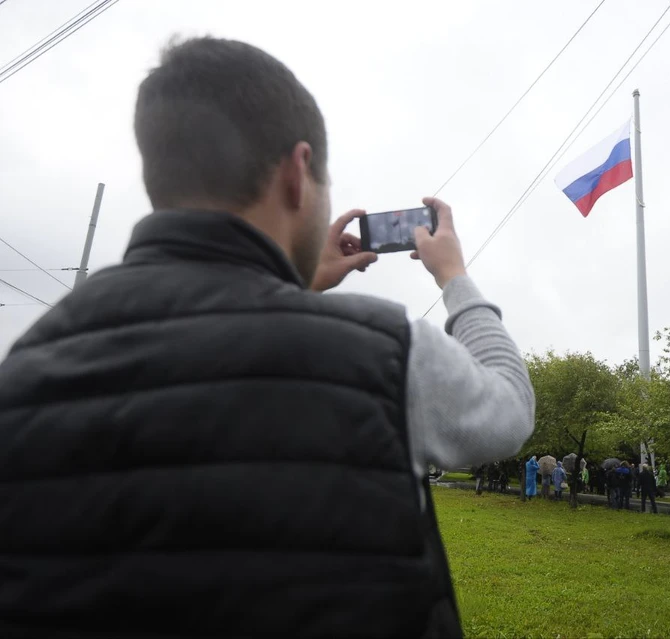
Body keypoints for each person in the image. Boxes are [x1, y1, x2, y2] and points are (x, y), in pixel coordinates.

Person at [0, 38, 537, 638]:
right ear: (296, 173)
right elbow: (509, 409)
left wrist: (296, 285)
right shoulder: (386, 352)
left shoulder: (26, 365)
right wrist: (454, 277)